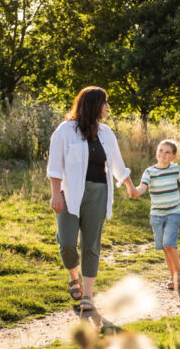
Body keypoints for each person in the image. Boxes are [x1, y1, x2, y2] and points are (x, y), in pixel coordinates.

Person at [47, 86, 137, 312]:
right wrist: (55, 193)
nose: (107, 107)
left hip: (98, 193)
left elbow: (117, 162)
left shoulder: (106, 133)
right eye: (104, 103)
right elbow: (55, 165)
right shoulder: (65, 130)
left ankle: (88, 294)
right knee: (67, 243)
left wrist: (130, 186)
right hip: (68, 194)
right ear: (93, 104)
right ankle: (73, 276)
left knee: (91, 245)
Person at [133, 139, 180, 290]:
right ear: (156, 153)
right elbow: (142, 187)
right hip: (156, 216)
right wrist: (136, 192)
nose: (163, 154)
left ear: (173, 156)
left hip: (173, 212)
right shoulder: (149, 172)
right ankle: (174, 278)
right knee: (165, 248)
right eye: (160, 150)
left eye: (167, 152)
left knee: (169, 243)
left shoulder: (175, 169)